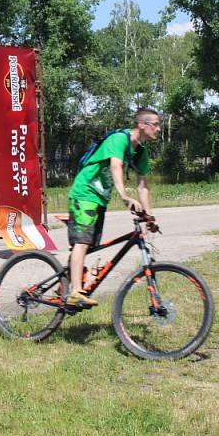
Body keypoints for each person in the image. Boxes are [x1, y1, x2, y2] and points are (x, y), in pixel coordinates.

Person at [65, 107, 162, 306]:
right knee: (82, 243)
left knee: (89, 245)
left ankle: (65, 284)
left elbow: (143, 187)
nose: (159, 129)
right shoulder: (119, 139)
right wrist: (125, 197)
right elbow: (115, 165)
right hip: (84, 194)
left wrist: (150, 217)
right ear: (142, 125)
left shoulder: (140, 152)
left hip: (100, 199)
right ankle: (74, 292)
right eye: (156, 124)